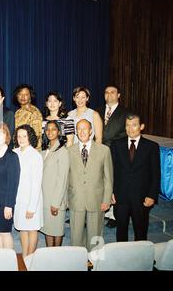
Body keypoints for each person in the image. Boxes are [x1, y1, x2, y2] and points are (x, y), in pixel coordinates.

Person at [111, 113, 160, 241]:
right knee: (121, 230)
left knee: (141, 231)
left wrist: (152, 195)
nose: (130, 129)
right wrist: (111, 192)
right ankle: (122, 256)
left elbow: (155, 174)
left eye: (134, 125)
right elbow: (112, 171)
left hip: (142, 197)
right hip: (121, 197)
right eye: (127, 125)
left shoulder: (151, 147)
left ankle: (141, 257)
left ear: (141, 126)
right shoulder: (116, 145)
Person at [67, 119, 113, 251]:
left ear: (91, 131)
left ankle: (94, 259)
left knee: (95, 234)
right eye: (79, 129)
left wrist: (106, 199)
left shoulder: (104, 150)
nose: (81, 132)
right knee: (76, 234)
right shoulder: (69, 151)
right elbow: (66, 177)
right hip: (76, 198)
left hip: (97, 199)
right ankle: (78, 259)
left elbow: (108, 178)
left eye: (85, 128)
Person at [96, 85, 130, 228]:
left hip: (116, 153)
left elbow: (126, 133)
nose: (109, 95)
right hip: (97, 151)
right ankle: (98, 211)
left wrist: (106, 143)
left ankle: (113, 215)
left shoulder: (126, 113)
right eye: (106, 92)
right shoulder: (97, 111)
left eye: (113, 92)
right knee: (98, 181)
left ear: (119, 95)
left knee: (114, 182)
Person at [0, 123, 20, 249]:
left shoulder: (11, 156)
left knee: (5, 232)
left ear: (6, 136)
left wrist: (9, 205)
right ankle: (1, 259)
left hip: (3, 202)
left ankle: (10, 261)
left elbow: (13, 183)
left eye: (1, 133)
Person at [13, 125, 43, 257]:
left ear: (30, 137)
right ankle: (25, 256)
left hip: (32, 199)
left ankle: (30, 258)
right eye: (19, 136)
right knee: (22, 229)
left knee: (31, 230)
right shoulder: (14, 152)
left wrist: (32, 207)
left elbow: (36, 183)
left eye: (24, 136)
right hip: (19, 199)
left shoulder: (35, 155)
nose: (21, 139)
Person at [40, 121, 70, 247]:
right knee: (48, 230)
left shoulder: (62, 151)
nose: (50, 132)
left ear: (59, 132)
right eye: (48, 129)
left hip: (55, 200)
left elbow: (62, 179)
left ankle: (57, 257)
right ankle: (49, 257)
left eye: (53, 129)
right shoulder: (45, 151)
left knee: (57, 231)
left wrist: (56, 203)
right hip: (45, 199)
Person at [14, 84, 43, 150]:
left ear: (30, 97)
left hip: (31, 151)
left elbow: (36, 136)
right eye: (20, 94)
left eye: (26, 94)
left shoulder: (34, 112)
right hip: (20, 149)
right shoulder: (17, 112)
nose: (23, 97)